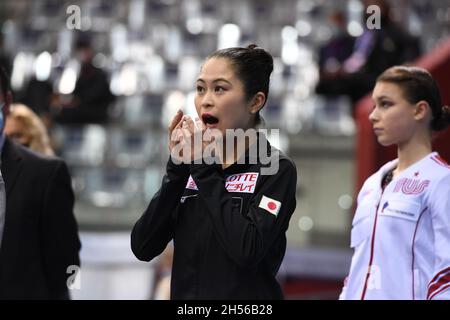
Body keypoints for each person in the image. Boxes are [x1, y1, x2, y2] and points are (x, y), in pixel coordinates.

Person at [131, 45, 297, 299]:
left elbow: (247, 250)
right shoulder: (194, 168)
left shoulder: (275, 168)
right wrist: (177, 170)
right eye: (200, 88)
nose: (205, 100)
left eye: (220, 88)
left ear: (255, 101)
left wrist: (203, 168)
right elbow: (143, 247)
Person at [340, 66, 450, 300]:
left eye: (385, 104)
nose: (373, 115)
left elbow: (447, 274)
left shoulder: (442, 181)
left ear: (420, 110)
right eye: (373, 105)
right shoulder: (372, 184)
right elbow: (358, 265)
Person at [0, 66, 81, 299]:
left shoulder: (48, 173)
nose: (17, 140)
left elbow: (67, 257)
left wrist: (70, 290)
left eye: (20, 135)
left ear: (6, 101)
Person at [52, 34, 114, 125]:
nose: (82, 53)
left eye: (85, 50)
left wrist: (76, 101)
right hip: (85, 116)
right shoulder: (81, 72)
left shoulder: (98, 74)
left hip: (95, 116)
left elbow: (94, 94)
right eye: (80, 50)